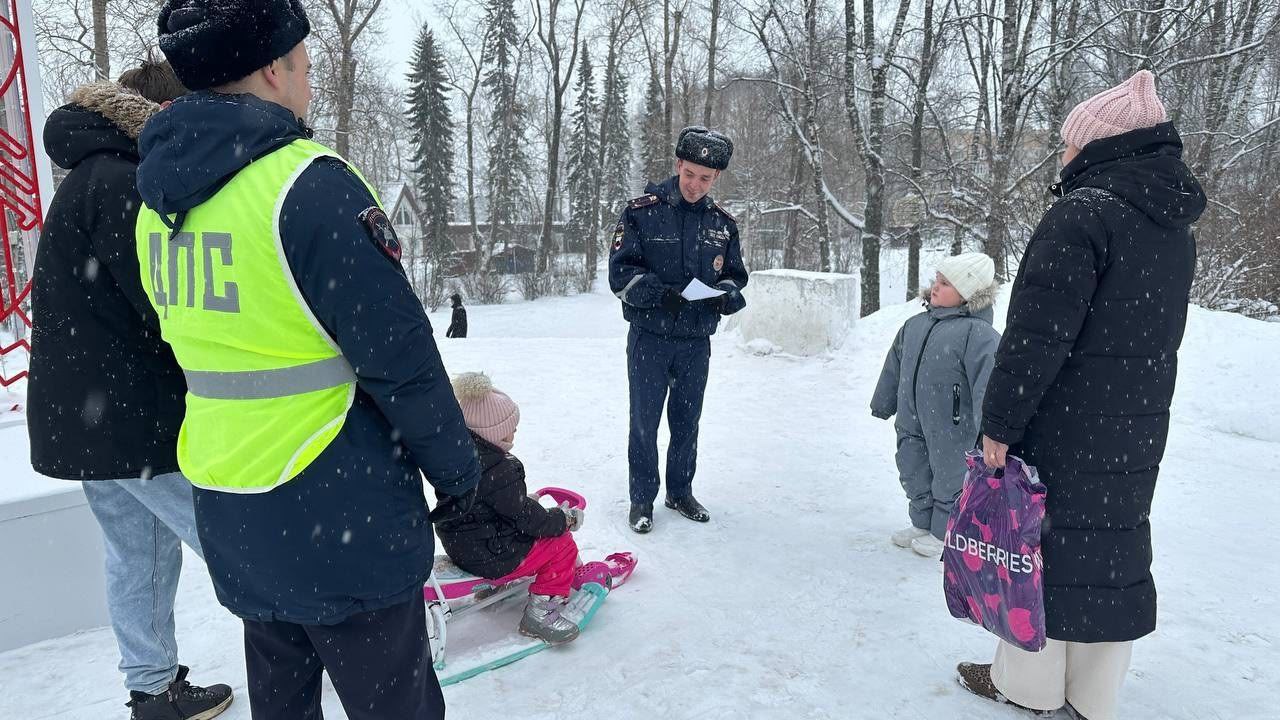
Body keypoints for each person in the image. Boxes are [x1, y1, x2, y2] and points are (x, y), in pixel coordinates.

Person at [134, 1, 481, 718]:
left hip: (236, 512)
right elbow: (403, 360)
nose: (310, 83)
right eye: (306, 65)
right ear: (272, 68)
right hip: (338, 511)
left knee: (283, 702)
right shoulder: (307, 185)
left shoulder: (158, 209)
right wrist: (458, 478)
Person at [957, 70, 1206, 720]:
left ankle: (1030, 685)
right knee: (1110, 547)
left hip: (1063, 420)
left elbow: (1035, 340)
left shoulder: (1082, 214)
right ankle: (1093, 695)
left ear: (1100, 147)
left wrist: (998, 427)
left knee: (1039, 549)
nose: (1062, 155)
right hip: (1135, 424)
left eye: (1069, 144)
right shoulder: (1170, 226)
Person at [27, 61, 234, 720]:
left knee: (138, 555)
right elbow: (163, 305)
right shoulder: (123, 184)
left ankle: (152, 692)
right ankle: (334, 643)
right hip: (132, 418)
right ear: (162, 116)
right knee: (234, 539)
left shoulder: (93, 175)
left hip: (94, 421)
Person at [608, 126, 748, 534]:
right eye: (690, 174)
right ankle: (641, 500)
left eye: (705, 178)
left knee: (688, 421)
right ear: (678, 165)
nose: (695, 185)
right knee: (644, 422)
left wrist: (724, 294)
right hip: (649, 338)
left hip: (695, 342)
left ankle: (680, 491)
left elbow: (735, 275)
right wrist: (658, 294)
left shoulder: (723, 225)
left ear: (716, 178)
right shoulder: (640, 212)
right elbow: (621, 274)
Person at [434, 372, 585, 644]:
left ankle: (493, 586)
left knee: (497, 530)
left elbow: (486, 506)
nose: (514, 433)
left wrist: (523, 502)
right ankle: (541, 614)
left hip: (460, 546)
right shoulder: (499, 469)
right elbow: (527, 519)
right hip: (493, 556)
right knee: (561, 545)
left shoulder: (456, 456)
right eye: (509, 429)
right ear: (492, 433)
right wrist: (561, 519)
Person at [870, 253, 1001, 559]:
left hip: (952, 425)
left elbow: (987, 382)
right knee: (911, 465)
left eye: (945, 284)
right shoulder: (914, 324)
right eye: (936, 281)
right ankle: (921, 521)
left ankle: (944, 531)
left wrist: (990, 425)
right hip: (911, 416)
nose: (935, 288)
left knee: (949, 474)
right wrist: (884, 401)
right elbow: (894, 364)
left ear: (967, 294)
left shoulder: (978, 335)